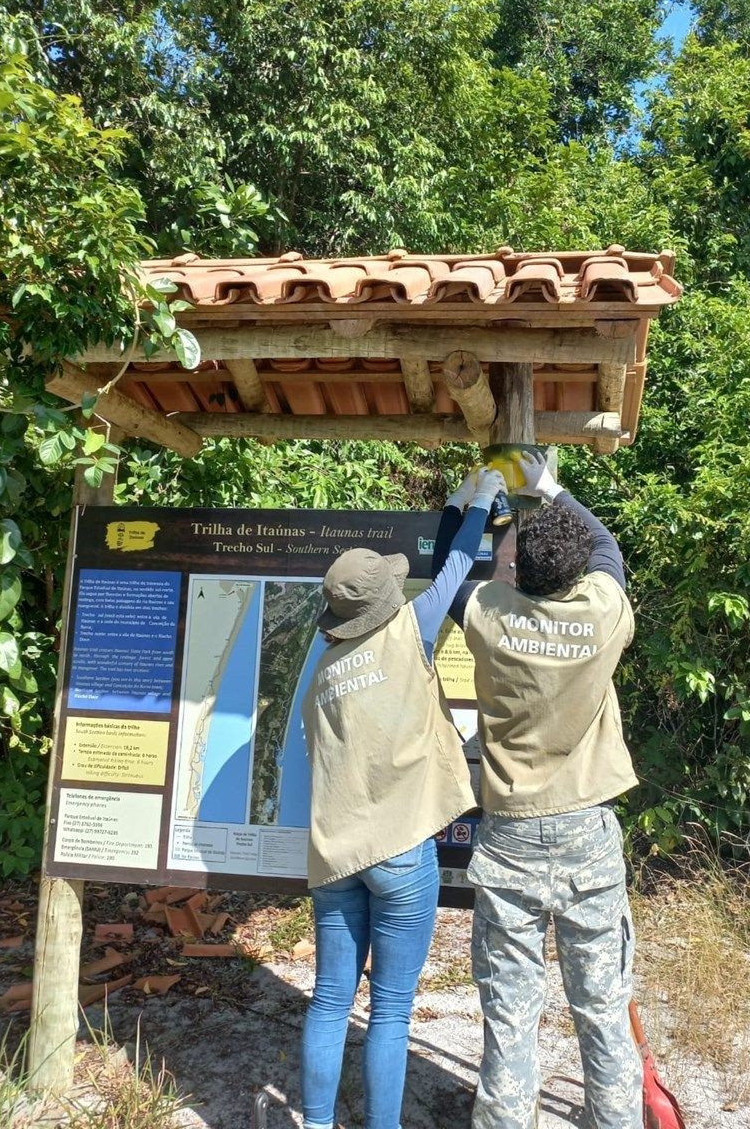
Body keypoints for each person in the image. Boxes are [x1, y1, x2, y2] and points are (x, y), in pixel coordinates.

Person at [433, 451, 641, 1129]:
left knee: (510, 1014)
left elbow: (446, 567)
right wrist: (551, 488)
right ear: (575, 573)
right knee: (602, 1009)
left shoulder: (492, 615)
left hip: (512, 836)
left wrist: (468, 497)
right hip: (587, 832)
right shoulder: (603, 611)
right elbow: (606, 546)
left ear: (516, 572)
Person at [299, 466, 505, 1129]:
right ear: (386, 600)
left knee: (329, 1001)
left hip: (336, 856)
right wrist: (477, 502)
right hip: (399, 853)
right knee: (389, 1011)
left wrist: (455, 500)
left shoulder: (322, 670)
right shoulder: (411, 629)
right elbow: (454, 566)